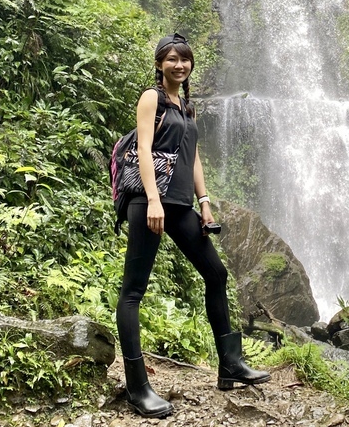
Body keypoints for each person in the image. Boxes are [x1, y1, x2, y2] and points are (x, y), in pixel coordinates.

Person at [116, 33, 270, 418]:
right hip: (149, 202)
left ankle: (230, 364)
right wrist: (152, 200)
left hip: (182, 204)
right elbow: (145, 151)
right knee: (134, 290)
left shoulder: (187, 108)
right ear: (159, 64)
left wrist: (204, 203)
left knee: (216, 275)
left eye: (184, 60)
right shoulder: (151, 98)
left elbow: (194, 157)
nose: (179, 65)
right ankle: (138, 387)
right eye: (171, 59)